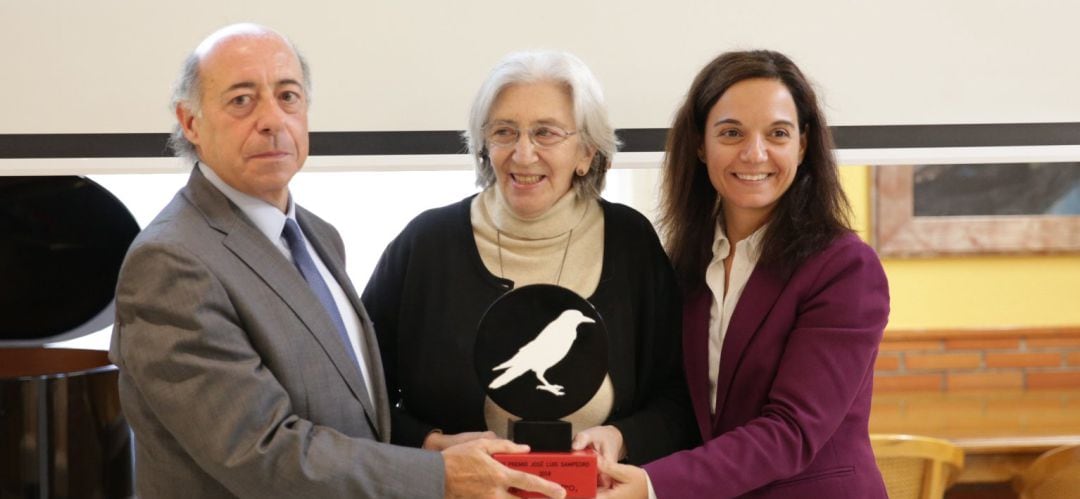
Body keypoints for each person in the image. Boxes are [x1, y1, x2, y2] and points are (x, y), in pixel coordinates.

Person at [109, 23, 565, 499]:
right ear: (191, 122)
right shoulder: (170, 263)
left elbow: (347, 416)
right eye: (242, 100)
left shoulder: (317, 235)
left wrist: (430, 451)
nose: (271, 119)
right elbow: (261, 452)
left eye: (288, 96)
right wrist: (439, 477)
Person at [361, 50, 697, 465]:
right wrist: (431, 447)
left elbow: (680, 397)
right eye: (505, 132)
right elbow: (354, 394)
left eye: (546, 133)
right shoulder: (425, 245)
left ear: (586, 153)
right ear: (484, 144)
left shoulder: (632, 242)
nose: (522, 154)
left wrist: (622, 438)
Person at [597, 50, 890, 498]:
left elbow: (792, 430)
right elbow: (689, 407)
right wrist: (621, 438)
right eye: (732, 133)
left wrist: (655, 485)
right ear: (700, 144)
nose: (755, 154)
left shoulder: (845, 268)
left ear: (803, 144)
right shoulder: (685, 264)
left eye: (778, 133)